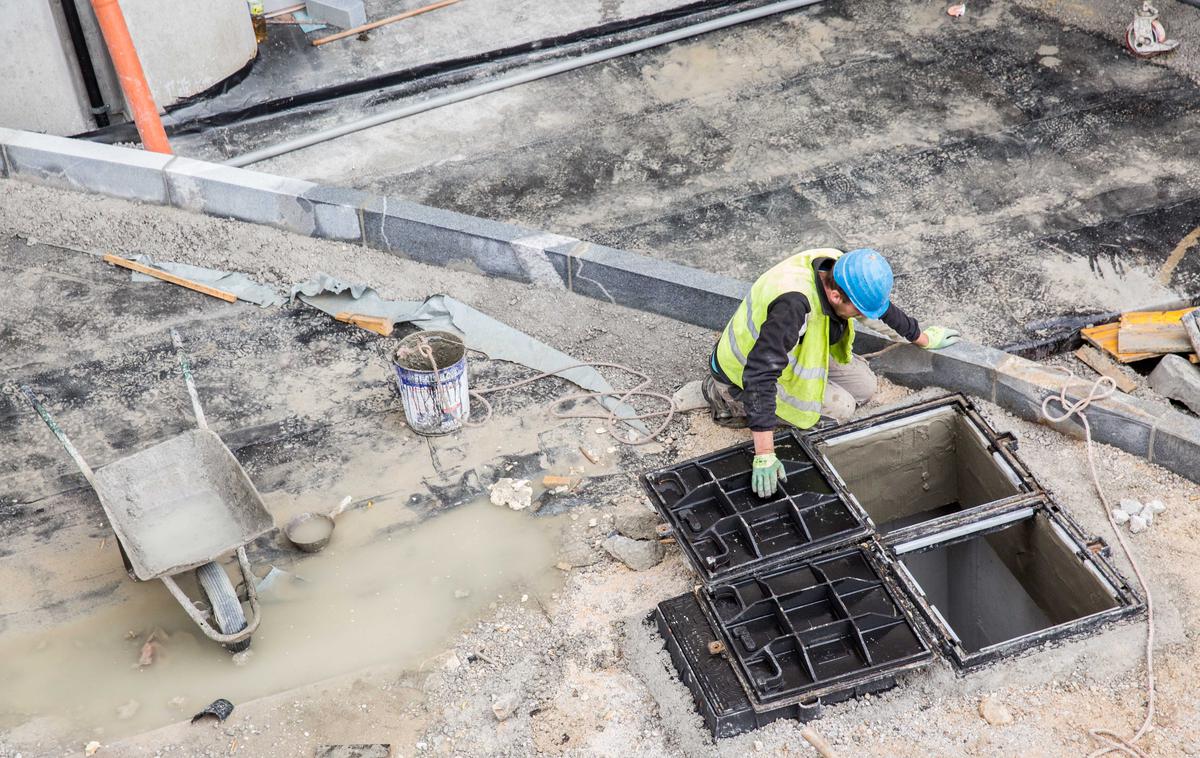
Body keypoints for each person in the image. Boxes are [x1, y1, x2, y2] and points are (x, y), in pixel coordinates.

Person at [702, 247, 959, 498]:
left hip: (793, 349)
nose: (860, 316)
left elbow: (877, 310)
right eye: (857, 311)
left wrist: (921, 337)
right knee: (843, 409)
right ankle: (726, 400)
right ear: (836, 297)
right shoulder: (792, 305)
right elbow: (760, 375)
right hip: (743, 372)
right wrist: (765, 454)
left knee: (865, 387)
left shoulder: (840, 266)